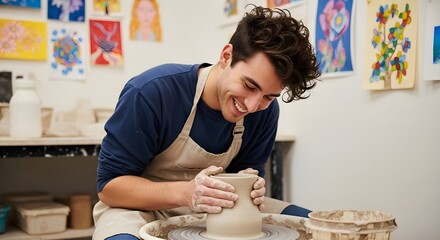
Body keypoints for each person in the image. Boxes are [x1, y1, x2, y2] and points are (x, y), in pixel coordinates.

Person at [93, 5, 321, 240]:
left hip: (218, 209)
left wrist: (252, 186)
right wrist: (186, 192)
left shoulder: (265, 112)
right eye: (249, 86)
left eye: (267, 96)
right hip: (139, 209)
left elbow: (244, 180)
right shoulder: (153, 92)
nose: (252, 106)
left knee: (314, 225)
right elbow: (110, 188)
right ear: (226, 56)